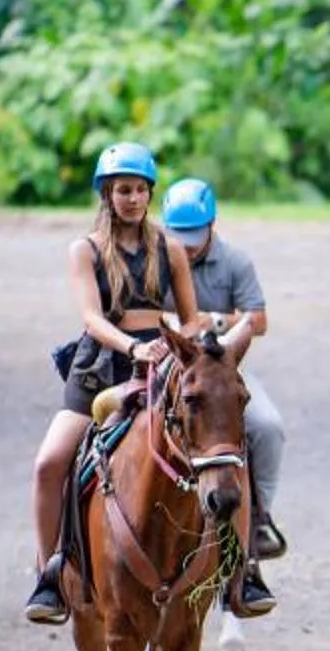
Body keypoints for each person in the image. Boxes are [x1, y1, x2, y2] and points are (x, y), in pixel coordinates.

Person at [25, 142, 200, 625]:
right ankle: (49, 574)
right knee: (50, 462)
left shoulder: (171, 248)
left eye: (141, 190)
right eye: (124, 189)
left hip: (162, 363)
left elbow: (193, 319)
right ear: (106, 193)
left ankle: (235, 565)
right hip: (102, 363)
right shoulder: (84, 250)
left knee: (218, 443)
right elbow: (90, 317)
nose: (133, 199)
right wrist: (132, 347)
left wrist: (175, 347)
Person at [158, 176, 286, 618]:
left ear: (212, 226)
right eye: (180, 237)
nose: (188, 247)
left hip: (222, 369)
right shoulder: (160, 258)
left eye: (194, 237)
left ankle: (258, 528)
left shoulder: (235, 261)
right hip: (167, 367)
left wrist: (211, 320)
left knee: (266, 426)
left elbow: (259, 319)